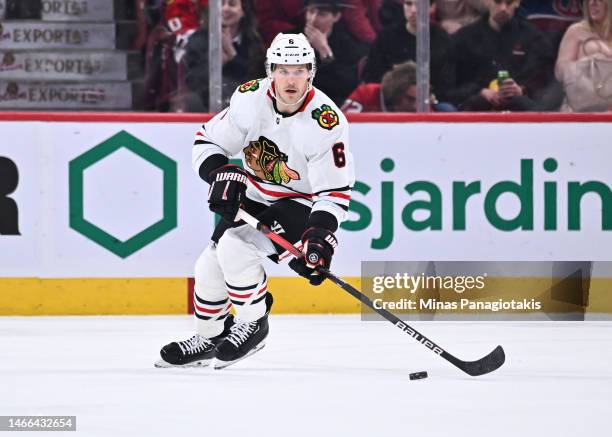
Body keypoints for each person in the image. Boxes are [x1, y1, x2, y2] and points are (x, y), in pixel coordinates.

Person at [156, 33, 355, 369]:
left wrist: (318, 237)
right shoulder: (249, 99)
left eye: (299, 70)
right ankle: (210, 336)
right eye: (282, 70)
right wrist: (221, 174)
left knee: (236, 246)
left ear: (312, 72)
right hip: (255, 194)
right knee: (209, 265)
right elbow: (207, 141)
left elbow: (334, 193)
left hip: (300, 203)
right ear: (270, 71)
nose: (291, 79)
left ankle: (253, 322)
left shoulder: (327, 122)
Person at [448, 0, 556, 111]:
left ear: (517, 2)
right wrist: (480, 91)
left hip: (522, 112)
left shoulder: (535, 39)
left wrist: (522, 89)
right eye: (497, 2)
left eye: (509, 2)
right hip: (476, 111)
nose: (503, 8)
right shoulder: (464, 38)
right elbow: (452, 85)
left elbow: (544, 81)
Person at [362, 0, 454, 103]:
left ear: (432, 8)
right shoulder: (386, 38)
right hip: (392, 104)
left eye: (420, 5)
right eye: (408, 4)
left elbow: (448, 83)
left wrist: (432, 97)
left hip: (432, 103)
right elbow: (373, 78)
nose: (413, 10)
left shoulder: (442, 40)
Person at [183, 0, 266, 111]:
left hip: (246, 110)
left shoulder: (254, 42)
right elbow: (192, 81)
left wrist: (233, 56)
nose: (225, 8)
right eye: (221, 4)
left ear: (243, 11)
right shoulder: (197, 41)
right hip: (204, 110)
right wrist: (215, 65)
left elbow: (259, 83)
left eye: (232, 4)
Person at [289, 0, 370, 105]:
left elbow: (345, 86)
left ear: (336, 17)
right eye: (311, 12)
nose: (313, 20)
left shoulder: (347, 46)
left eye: (322, 15)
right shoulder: (288, 39)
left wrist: (325, 53)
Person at [555, 0, 612, 111]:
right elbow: (559, 72)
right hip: (582, 108)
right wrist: (585, 64)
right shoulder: (576, 31)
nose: (592, 3)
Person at [341, 60, 456, 111]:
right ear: (395, 93)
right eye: (410, 99)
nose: (416, 106)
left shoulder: (423, 106)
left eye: (419, 100)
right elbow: (340, 125)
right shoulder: (366, 94)